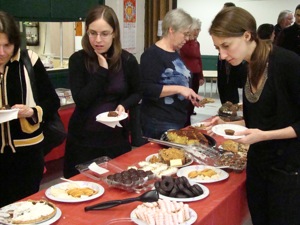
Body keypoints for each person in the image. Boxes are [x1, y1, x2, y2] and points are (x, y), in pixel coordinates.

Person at [208, 6, 300, 225]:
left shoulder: (287, 63)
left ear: (247, 35)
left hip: (287, 170)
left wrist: (263, 136)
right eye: (217, 48)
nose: (221, 55)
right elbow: (261, 119)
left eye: (226, 46)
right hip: (258, 165)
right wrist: (229, 122)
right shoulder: (248, 66)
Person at [63, 5, 141, 178]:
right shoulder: (77, 60)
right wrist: (102, 71)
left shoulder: (127, 60)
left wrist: (123, 104)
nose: (98, 40)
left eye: (104, 33)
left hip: (115, 139)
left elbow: (137, 92)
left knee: (117, 186)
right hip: (83, 140)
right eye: (92, 33)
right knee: (79, 189)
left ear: (114, 33)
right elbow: (82, 101)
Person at [0, 11, 60, 207]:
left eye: (6, 46)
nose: (1, 52)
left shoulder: (28, 60)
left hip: (28, 154)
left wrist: (32, 111)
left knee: (26, 207)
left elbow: (52, 101)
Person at [140, 8, 202, 139]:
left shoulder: (175, 53)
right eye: (184, 34)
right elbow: (147, 89)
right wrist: (180, 89)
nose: (187, 39)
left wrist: (190, 95)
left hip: (177, 118)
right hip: (159, 121)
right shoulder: (152, 55)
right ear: (171, 29)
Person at [217, 2, 247, 104]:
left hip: (232, 61)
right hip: (223, 63)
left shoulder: (236, 29)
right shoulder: (221, 26)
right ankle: (224, 107)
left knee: (231, 86)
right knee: (222, 85)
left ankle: (231, 108)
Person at [180, 18, 204, 125]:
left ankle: (189, 116)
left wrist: (201, 76)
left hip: (195, 74)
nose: (197, 34)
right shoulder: (186, 44)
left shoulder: (196, 43)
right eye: (196, 31)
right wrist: (192, 41)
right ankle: (186, 122)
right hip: (187, 75)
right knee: (187, 100)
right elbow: (192, 53)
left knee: (194, 98)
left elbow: (199, 59)